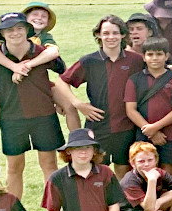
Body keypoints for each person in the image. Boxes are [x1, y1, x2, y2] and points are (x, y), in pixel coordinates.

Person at [0, 12, 66, 197]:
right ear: (1, 34)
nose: (15, 33)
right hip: (12, 118)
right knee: (14, 168)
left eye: (19, 28)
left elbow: (64, 73)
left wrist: (61, 100)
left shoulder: (41, 52)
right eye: (9, 29)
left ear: (27, 30)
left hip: (44, 115)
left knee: (49, 164)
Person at [59, 15, 144, 176]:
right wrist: (78, 104)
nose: (110, 37)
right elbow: (62, 81)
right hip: (98, 124)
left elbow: (159, 70)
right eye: (105, 33)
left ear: (123, 35)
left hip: (127, 125)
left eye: (115, 33)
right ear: (98, 35)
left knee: (124, 167)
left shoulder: (136, 60)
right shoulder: (89, 61)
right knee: (97, 169)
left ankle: (123, 201)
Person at [124, 37, 172, 182]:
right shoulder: (134, 79)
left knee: (168, 173)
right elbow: (131, 110)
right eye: (150, 54)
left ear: (166, 56)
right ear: (144, 57)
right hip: (144, 134)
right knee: (144, 170)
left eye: (159, 54)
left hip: (171, 134)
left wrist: (155, 127)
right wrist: (150, 131)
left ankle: (167, 202)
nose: (155, 58)